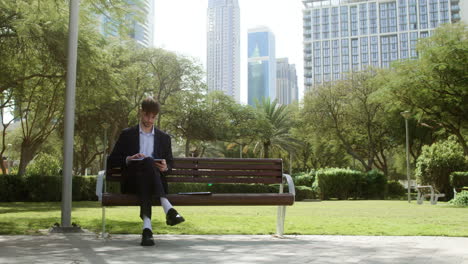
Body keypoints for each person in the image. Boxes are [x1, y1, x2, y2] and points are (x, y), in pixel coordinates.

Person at [107, 97, 184, 246]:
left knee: (149, 163)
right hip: (132, 183)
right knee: (147, 162)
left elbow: (170, 163)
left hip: (153, 183)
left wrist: (165, 167)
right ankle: (166, 206)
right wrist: (129, 158)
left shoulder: (164, 138)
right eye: (147, 115)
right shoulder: (127, 134)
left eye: (153, 117)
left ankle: (147, 229)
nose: (149, 120)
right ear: (140, 112)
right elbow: (112, 161)